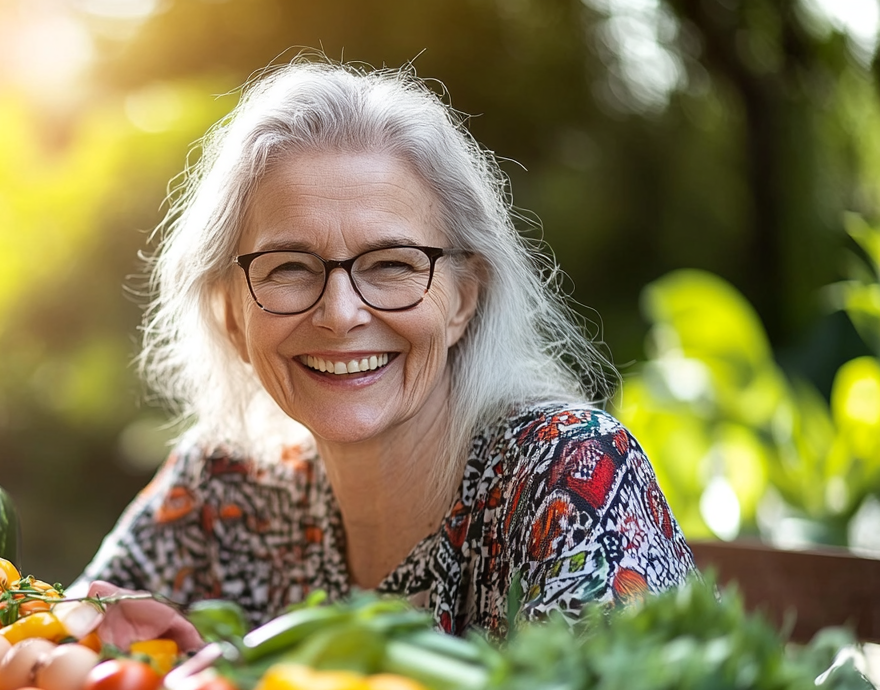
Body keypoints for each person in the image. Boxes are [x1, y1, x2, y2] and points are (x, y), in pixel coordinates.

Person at [78, 58, 696, 650]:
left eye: (392, 264)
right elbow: (49, 641)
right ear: (230, 314)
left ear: (463, 299)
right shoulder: (224, 487)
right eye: (289, 267)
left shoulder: (565, 474)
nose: (341, 313)